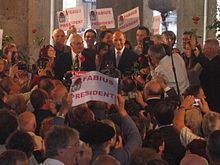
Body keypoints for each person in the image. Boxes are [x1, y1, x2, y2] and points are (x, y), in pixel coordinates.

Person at [195, 39, 220, 113]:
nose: (203, 51)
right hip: (207, 98)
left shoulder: (217, 62)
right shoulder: (208, 62)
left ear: (211, 49)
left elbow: (210, 67)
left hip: (215, 99)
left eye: (205, 48)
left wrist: (199, 56)